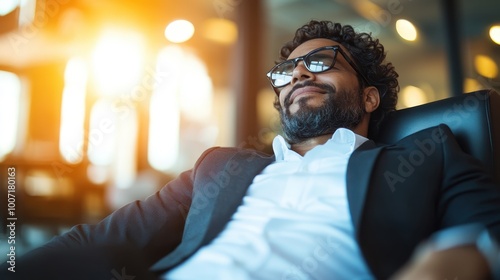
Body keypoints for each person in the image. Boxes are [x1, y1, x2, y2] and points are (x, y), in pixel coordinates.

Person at [2, 20, 500, 280]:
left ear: (368, 96)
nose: (299, 74)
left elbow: (482, 240)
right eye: (286, 73)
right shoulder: (219, 166)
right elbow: (102, 240)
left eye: (322, 62)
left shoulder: (428, 153)